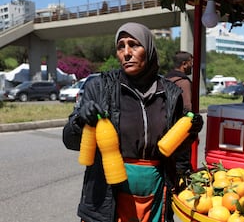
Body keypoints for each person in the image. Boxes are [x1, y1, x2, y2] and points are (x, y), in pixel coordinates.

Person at [62, 22, 203, 222]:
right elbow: (70, 141)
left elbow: (177, 150)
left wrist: (192, 131)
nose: (126, 53)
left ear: (149, 49)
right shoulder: (100, 87)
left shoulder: (171, 94)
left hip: (156, 196)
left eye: (134, 45)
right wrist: (80, 120)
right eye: (121, 46)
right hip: (107, 196)